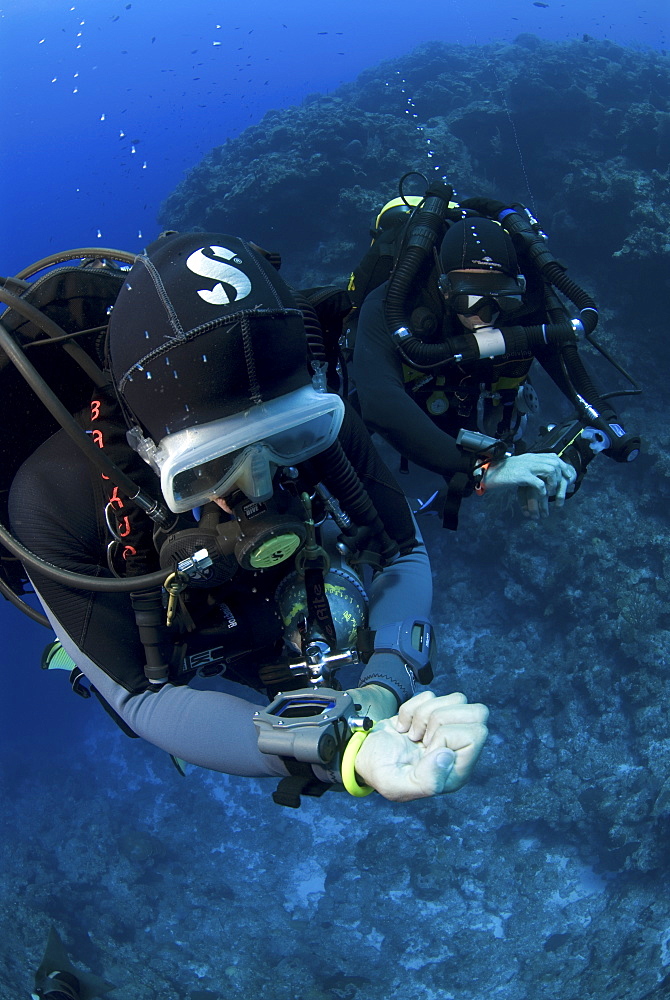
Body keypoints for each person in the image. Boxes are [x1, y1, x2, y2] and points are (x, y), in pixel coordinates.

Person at [5, 233, 488, 806]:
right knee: (138, 658)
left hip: (258, 596)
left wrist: (381, 688)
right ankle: (81, 642)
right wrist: (334, 752)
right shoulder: (49, 496)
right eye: (209, 467)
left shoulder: (306, 407)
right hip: (144, 590)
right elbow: (141, 699)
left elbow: (401, 549)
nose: (259, 486)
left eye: (288, 439)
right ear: (147, 446)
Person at [351, 183, 640, 528]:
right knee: (345, 425)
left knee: (496, 435)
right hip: (416, 400)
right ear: (443, 289)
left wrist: (568, 457)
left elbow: (585, 393)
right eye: (467, 301)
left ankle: (450, 489)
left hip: (479, 396)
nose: (483, 317)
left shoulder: (529, 307)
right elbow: (379, 403)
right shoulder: (395, 303)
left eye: (500, 300)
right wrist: (484, 470)